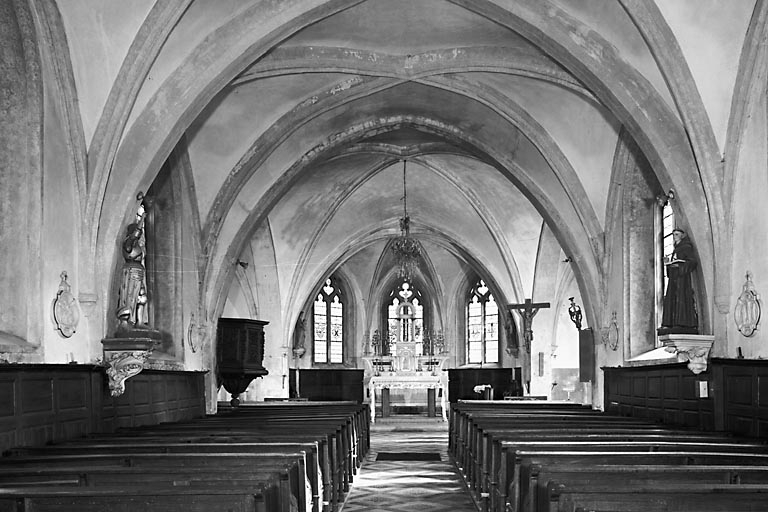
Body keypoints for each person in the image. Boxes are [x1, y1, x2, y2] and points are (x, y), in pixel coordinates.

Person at [659, 228, 699, 334]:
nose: (674, 236)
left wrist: (681, 266)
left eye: (677, 234)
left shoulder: (686, 247)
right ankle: (671, 322)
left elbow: (692, 262)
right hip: (674, 278)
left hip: (682, 279)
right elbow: (672, 267)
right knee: (672, 299)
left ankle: (683, 322)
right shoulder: (676, 249)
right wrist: (668, 264)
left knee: (681, 299)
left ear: (682, 235)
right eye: (673, 234)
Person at [116, 222, 147, 329]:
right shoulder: (128, 244)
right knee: (129, 297)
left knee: (142, 297)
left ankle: (140, 322)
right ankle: (125, 322)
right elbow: (134, 236)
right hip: (131, 272)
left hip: (139, 271)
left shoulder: (138, 246)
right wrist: (142, 219)